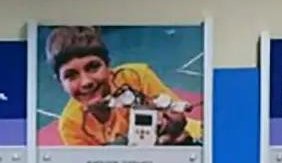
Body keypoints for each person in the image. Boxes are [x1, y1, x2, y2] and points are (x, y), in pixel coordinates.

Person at [46, 25, 200, 145]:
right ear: (60, 82)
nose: (86, 82)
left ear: (108, 65)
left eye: (93, 67)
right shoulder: (71, 125)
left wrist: (172, 124)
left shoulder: (137, 76)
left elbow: (176, 116)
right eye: (71, 75)